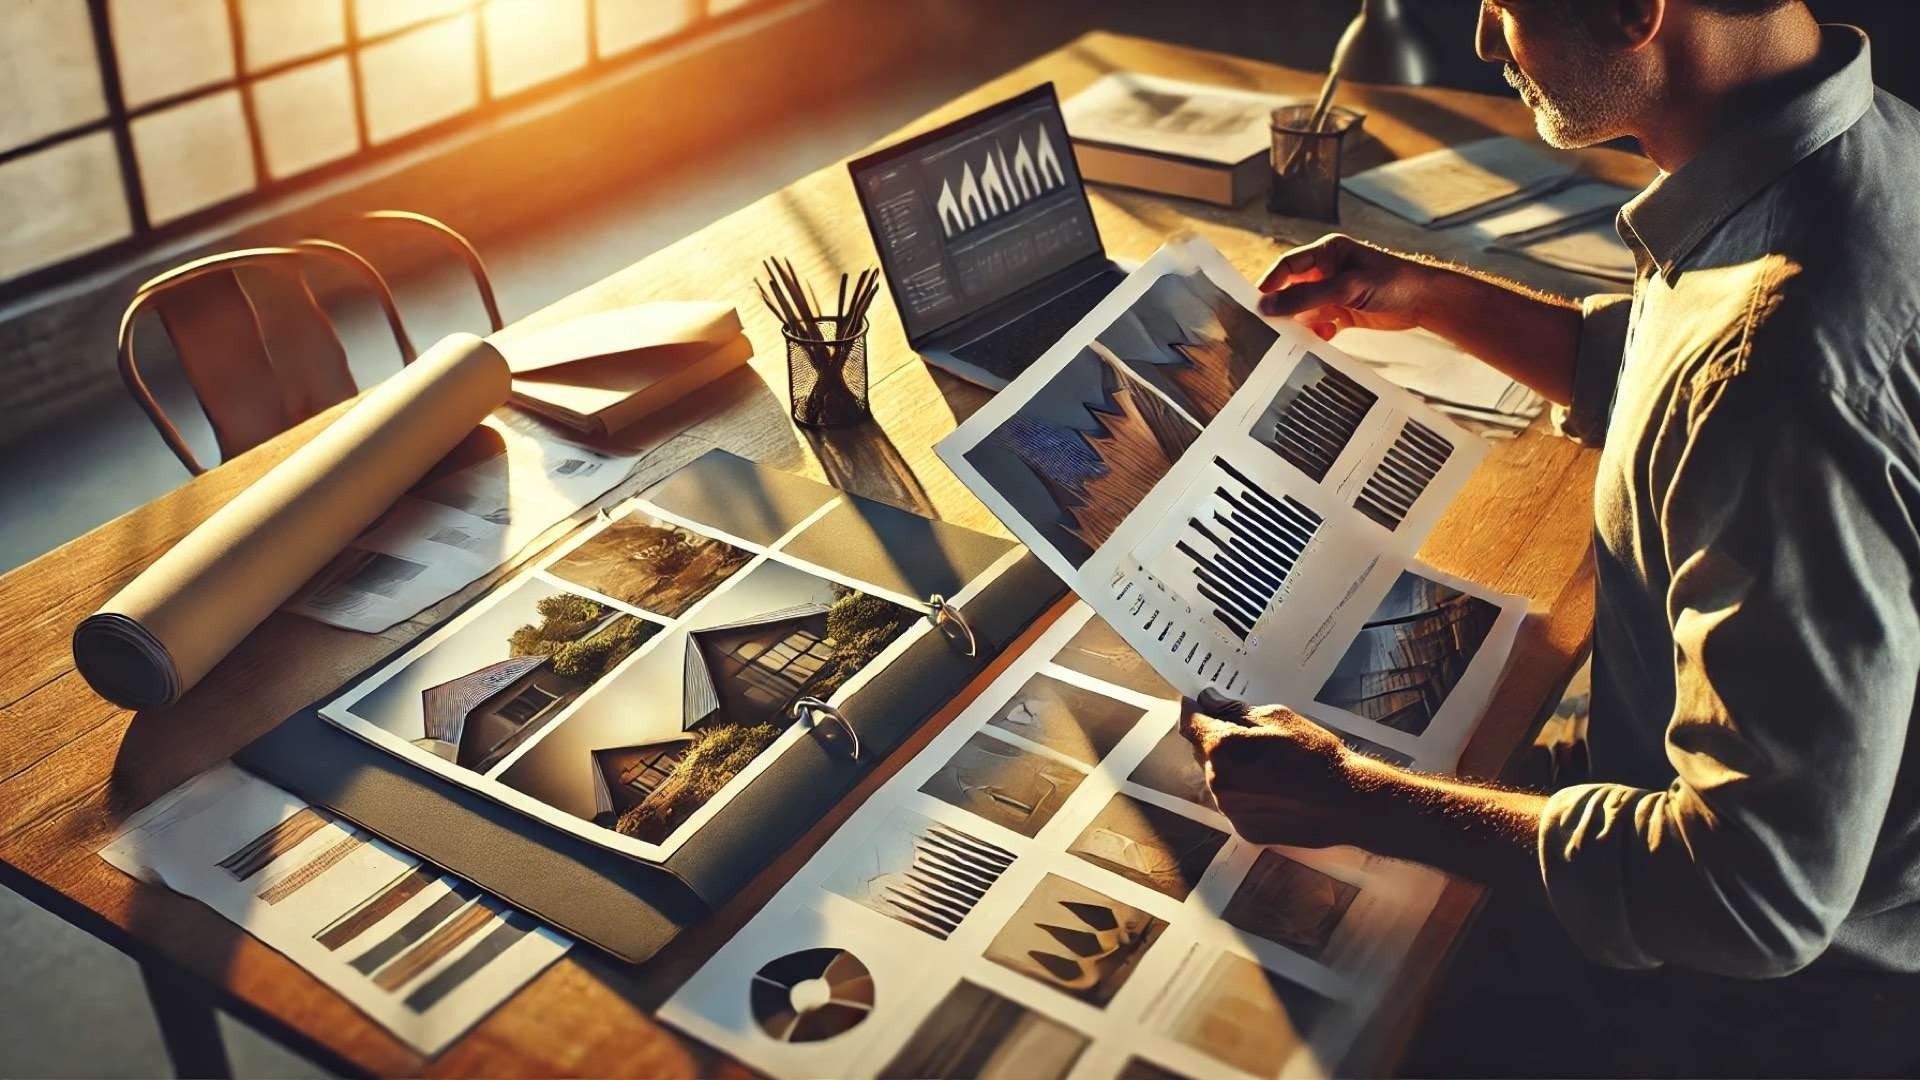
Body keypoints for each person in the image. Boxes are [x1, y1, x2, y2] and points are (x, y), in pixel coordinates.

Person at [1182, 0, 1920, 1067]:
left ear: (1632, 12)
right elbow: (1683, 383)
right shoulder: (1866, 144)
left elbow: (1752, 901)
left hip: (1791, 1002)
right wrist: (1434, 296)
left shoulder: (1777, 377)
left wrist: (1350, 798)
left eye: (1505, 6)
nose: (1487, 40)